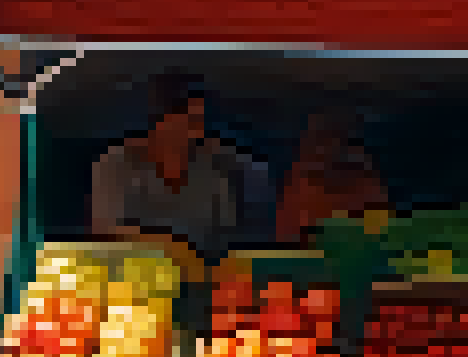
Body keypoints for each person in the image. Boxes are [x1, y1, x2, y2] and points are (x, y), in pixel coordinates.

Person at [89, 71, 272, 264]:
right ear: (158, 122)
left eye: (200, 122)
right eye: (189, 122)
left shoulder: (215, 170)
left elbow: (225, 248)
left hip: (200, 276)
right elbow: (107, 235)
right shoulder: (116, 165)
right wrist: (173, 250)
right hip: (133, 274)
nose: (197, 133)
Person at [276, 108, 390, 246]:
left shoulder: (368, 187)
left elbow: (381, 241)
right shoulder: (298, 186)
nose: (322, 149)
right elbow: (286, 241)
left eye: (330, 139)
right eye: (317, 141)